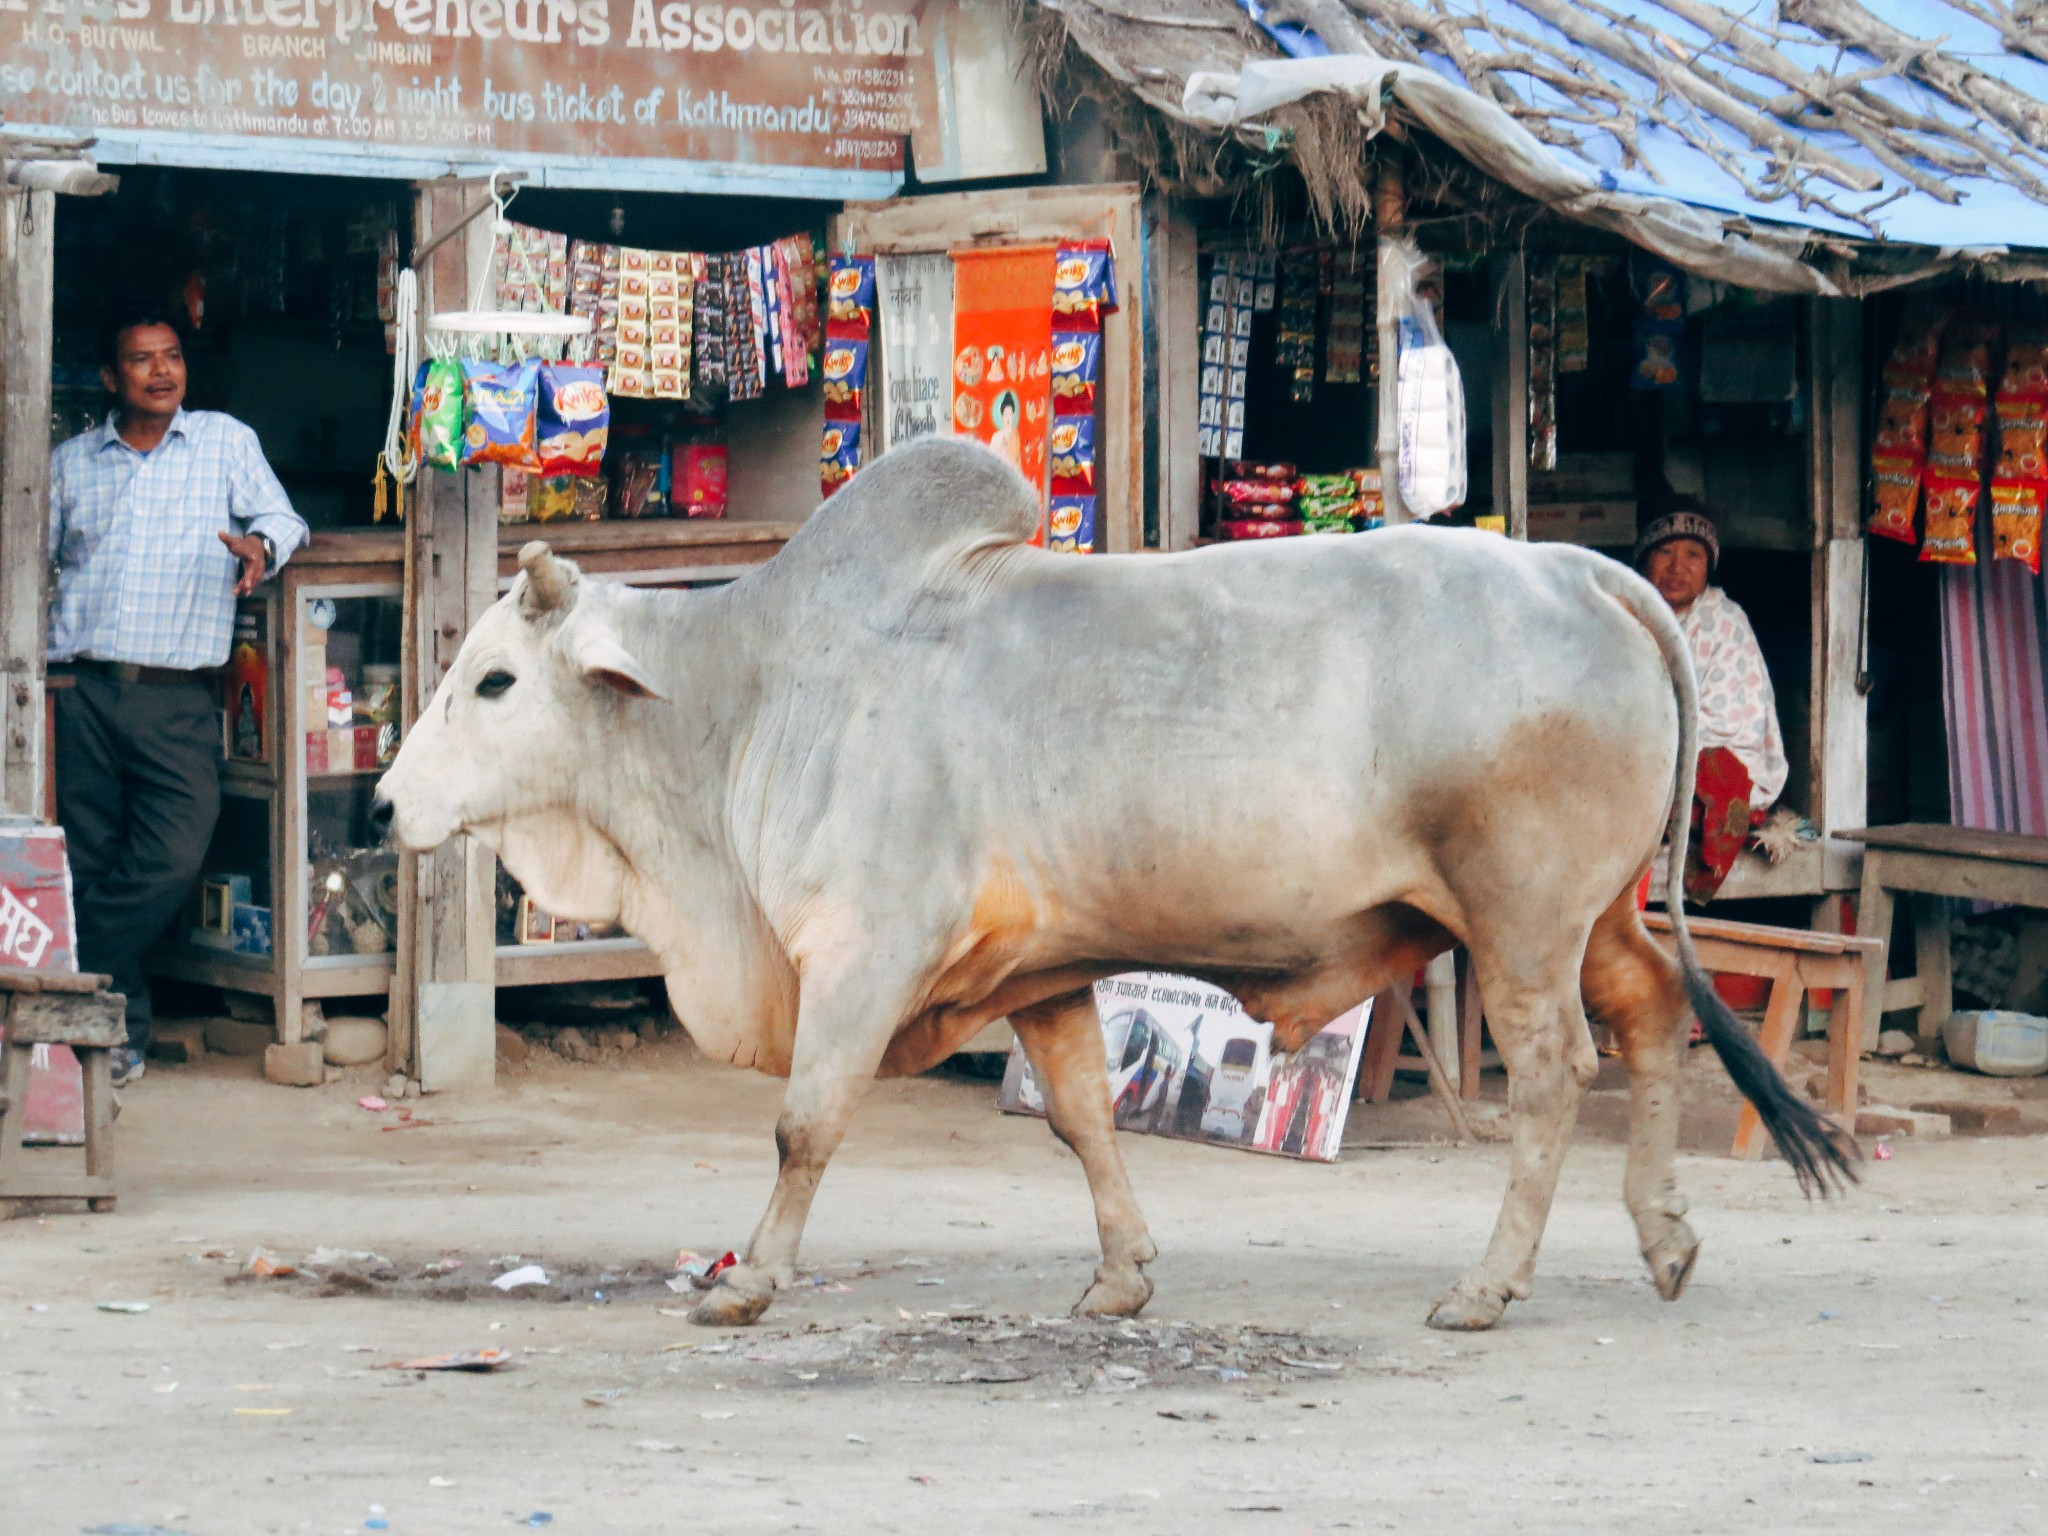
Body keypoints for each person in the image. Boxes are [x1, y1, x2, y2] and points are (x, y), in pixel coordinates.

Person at [47, 312, 307, 1084]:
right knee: (89, 861)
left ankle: (61, 975)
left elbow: (282, 517)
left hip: (176, 695)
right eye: (140, 360)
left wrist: (261, 547)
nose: (161, 372)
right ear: (109, 378)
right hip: (82, 686)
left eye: (172, 356)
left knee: (172, 856)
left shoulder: (225, 441)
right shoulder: (70, 464)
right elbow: (33, 559)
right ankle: (112, 1040)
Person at [1635, 499, 1787, 902]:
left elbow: (1728, 720)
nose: (1677, 566)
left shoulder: (1724, 621)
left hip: (1711, 753)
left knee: (1712, 776)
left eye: (1693, 554)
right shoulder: (1632, 618)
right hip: (1653, 752)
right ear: (1644, 561)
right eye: (1665, 552)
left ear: (1709, 564)